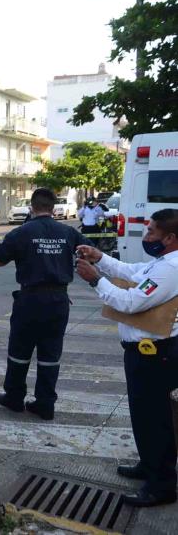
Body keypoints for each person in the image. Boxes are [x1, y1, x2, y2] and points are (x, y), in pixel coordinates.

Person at [75, 209, 178, 507]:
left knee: (155, 420)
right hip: (146, 356)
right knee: (144, 417)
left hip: (157, 358)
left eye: (151, 232)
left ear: (170, 238)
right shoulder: (164, 263)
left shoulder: (171, 269)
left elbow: (130, 302)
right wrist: (101, 258)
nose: (145, 237)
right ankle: (150, 465)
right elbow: (134, 273)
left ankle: (161, 485)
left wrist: (96, 280)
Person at [0, 188, 91, 420]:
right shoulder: (68, 232)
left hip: (30, 300)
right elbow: (89, 253)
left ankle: (14, 398)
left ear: (31, 208)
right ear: (53, 208)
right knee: (51, 353)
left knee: (19, 350)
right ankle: (45, 403)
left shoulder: (22, 232)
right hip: (58, 300)